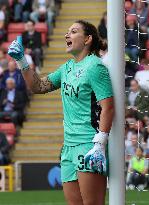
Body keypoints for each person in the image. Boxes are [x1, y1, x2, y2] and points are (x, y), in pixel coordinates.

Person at [8, 20, 114, 205]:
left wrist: (100, 144)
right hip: (68, 147)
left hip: (88, 144)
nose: (67, 35)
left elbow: (108, 106)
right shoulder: (66, 68)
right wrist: (22, 61)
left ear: (88, 39)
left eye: (73, 31)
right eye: (67, 32)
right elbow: (38, 86)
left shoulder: (95, 67)